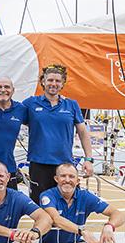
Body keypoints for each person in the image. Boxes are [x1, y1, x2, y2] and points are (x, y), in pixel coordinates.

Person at [23, 64, 94, 203]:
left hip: (64, 164)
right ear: (43, 81)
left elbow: (83, 132)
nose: (53, 84)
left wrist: (88, 159)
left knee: (67, 203)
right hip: (39, 164)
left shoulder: (71, 105)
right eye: (50, 80)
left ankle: (66, 226)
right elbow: (8, 111)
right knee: (40, 205)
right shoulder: (30, 103)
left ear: (62, 84)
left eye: (57, 81)